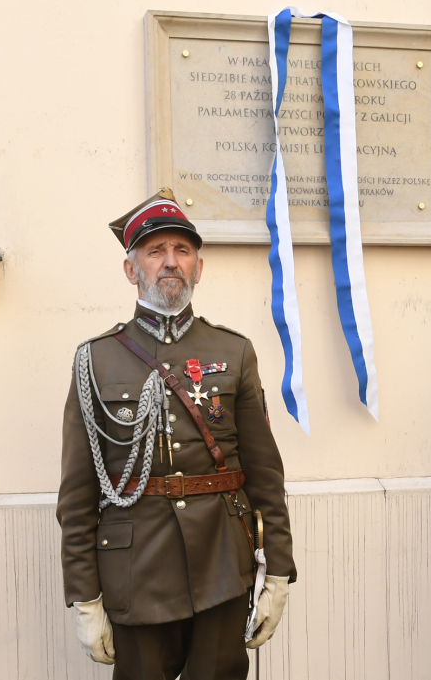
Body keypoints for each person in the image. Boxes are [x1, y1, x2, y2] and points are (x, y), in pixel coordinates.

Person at [57, 187, 295, 680]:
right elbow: (78, 495)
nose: (171, 262)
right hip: (135, 572)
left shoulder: (235, 353)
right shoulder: (95, 361)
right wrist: (85, 599)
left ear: (198, 267)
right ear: (131, 269)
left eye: (182, 250)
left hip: (222, 566)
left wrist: (277, 571)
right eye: (155, 250)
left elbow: (265, 475)